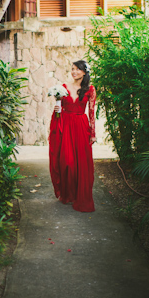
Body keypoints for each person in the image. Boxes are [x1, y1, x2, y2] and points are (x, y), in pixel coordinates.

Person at [48, 60, 96, 212]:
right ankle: (67, 194)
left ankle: (78, 195)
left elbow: (92, 113)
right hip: (66, 127)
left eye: (77, 69)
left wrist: (93, 134)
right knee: (67, 162)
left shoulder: (90, 89)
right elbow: (58, 111)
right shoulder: (63, 88)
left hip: (81, 127)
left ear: (84, 72)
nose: (74, 72)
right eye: (72, 69)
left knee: (81, 163)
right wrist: (57, 109)